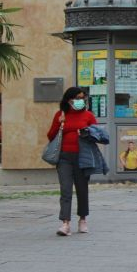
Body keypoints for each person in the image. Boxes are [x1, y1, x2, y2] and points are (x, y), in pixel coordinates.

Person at [47, 86, 97, 236]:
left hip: (83, 158)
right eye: (78, 98)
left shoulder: (88, 116)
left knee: (82, 189)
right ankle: (65, 223)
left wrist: (86, 132)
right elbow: (50, 136)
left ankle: (82, 219)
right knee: (66, 190)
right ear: (69, 100)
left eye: (83, 98)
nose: (81, 101)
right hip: (64, 157)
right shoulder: (60, 115)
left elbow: (97, 135)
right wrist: (59, 123)